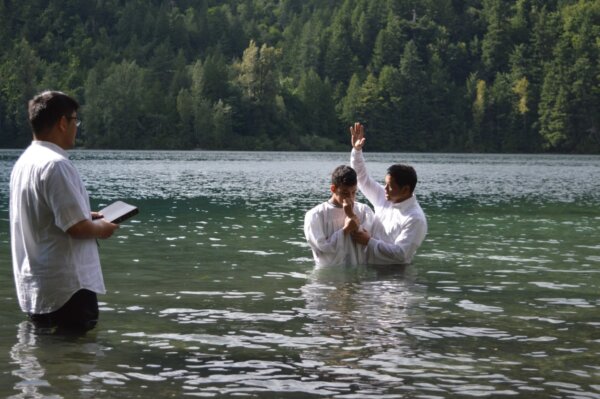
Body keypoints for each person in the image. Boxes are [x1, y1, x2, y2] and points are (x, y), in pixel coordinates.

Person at [9, 90, 119, 332]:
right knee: (78, 358)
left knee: (50, 355)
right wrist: (102, 229)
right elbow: (76, 228)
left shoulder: (25, 162)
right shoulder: (56, 165)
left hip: (37, 285)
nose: (76, 127)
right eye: (74, 120)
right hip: (68, 288)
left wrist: (85, 215)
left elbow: (42, 213)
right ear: (62, 122)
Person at [349, 122, 427, 265]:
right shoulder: (385, 196)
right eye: (385, 184)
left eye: (390, 186)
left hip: (395, 277)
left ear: (405, 190)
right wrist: (357, 151)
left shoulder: (415, 218)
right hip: (369, 270)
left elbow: (401, 254)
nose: (384, 188)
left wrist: (368, 241)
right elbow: (362, 179)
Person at [304, 165, 374, 266]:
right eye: (345, 193)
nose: (350, 197)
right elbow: (322, 248)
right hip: (329, 277)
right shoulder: (316, 215)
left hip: (358, 272)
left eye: (354, 192)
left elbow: (367, 240)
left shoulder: (364, 210)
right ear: (333, 189)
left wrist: (351, 215)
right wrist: (345, 230)